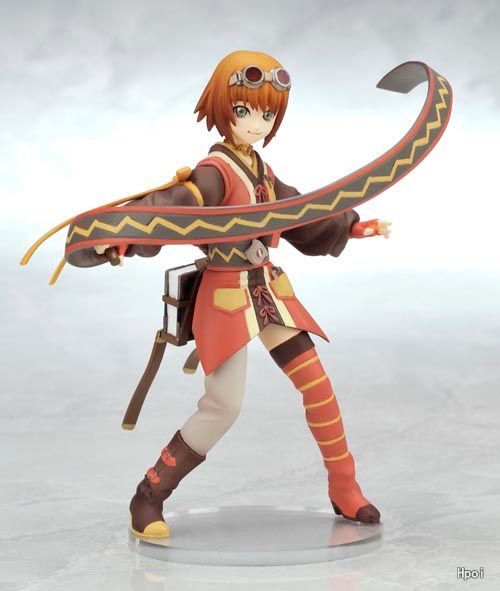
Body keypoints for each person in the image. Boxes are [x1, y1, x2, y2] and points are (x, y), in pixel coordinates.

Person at [97, 50, 391, 539]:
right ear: (224, 109)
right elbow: (173, 206)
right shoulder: (214, 172)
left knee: (318, 386)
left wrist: (350, 226)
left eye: (268, 114)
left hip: (268, 292)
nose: (257, 122)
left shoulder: (261, 171)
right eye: (244, 110)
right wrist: (123, 233)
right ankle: (148, 494)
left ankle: (345, 486)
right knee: (223, 407)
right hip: (226, 300)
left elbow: (300, 210)